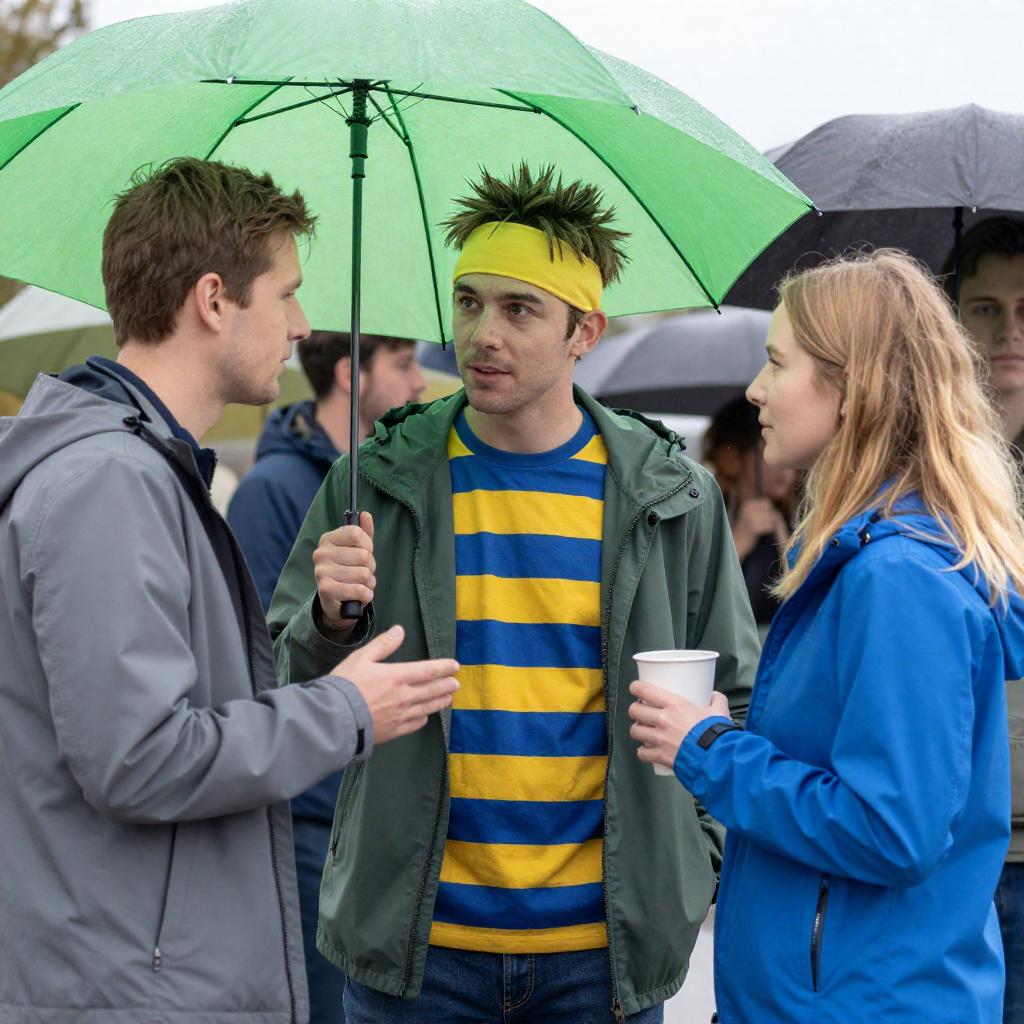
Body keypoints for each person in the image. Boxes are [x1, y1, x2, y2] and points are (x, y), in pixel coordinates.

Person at [269, 162, 759, 1023]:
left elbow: (737, 696)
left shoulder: (672, 495)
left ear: (585, 331)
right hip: (415, 952)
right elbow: (284, 682)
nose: (481, 334)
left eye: (519, 309)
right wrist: (329, 618)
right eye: (468, 302)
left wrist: (692, 861)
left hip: (603, 957)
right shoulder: (373, 479)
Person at [0, 156, 459, 1024]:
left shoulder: (142, 472)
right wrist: (346, 710)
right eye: (286, 294)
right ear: (214, 300)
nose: (301, 327)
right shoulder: (110, 483)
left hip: (133, 969)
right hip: (127, 987)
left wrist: (326, 628)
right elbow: (139, 759)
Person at [628, 249, 1024, 1024]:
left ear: (852, 388)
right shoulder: (875, 559)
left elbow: (892, 830)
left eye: (777, 363)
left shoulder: (898, 577)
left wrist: (710, 751)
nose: (755, 389)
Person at [227, 328, 426, 1024]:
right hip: (310, 811)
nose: (419, 383)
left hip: (376, 800)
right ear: (350, 374)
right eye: (403, 363)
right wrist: (330, 616)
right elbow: (255, 657)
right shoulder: (271, 490)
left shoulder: (390, 481)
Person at [943, 217, 1024, 1024]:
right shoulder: (918, 465)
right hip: (938, 841)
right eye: (986, 309)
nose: (1008, 333)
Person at [703, 395, 798, 629]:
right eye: (768, 448)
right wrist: (739, 541)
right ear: (732, 457)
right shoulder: (705, 516)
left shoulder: (795, 520)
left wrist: (784, 542)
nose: (786, 466)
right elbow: (695, 600)